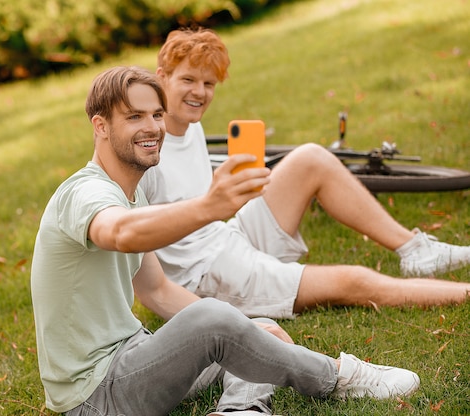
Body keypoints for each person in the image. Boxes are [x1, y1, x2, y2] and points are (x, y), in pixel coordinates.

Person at [30, 66, 420, 416]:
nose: (152, 127)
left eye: (156, 115)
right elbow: (120, 232)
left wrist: (241, 327)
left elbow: (159, 290)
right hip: (94, 396)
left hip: (132, 358)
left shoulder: (133, 193)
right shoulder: (83, 193)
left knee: (253, 326)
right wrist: (208, 207)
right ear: (100, 126)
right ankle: (335, 377)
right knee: (216, 319)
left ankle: (241, 410)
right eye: (134, 117)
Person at [138, 27, 470, 319]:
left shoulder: (188, 126)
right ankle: (463, 293)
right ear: (162, 76)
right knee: (354, 281)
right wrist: (186, 309)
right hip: (208, 277)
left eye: (208, 83)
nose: (200, 92)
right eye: (188, 80)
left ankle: (415, 251)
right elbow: (137, 247)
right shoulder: (146, 150)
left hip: (226, 237)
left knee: (310, 158)